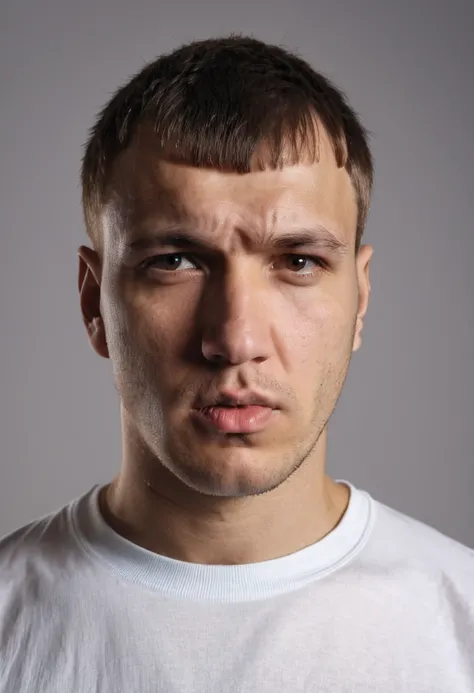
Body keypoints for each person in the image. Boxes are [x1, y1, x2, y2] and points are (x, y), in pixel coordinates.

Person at [0, 33, 473, 693]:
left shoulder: (461, 624)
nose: (235, 336)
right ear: (94, 300)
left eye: (299, 261)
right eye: (175, 261)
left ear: (359, 299)